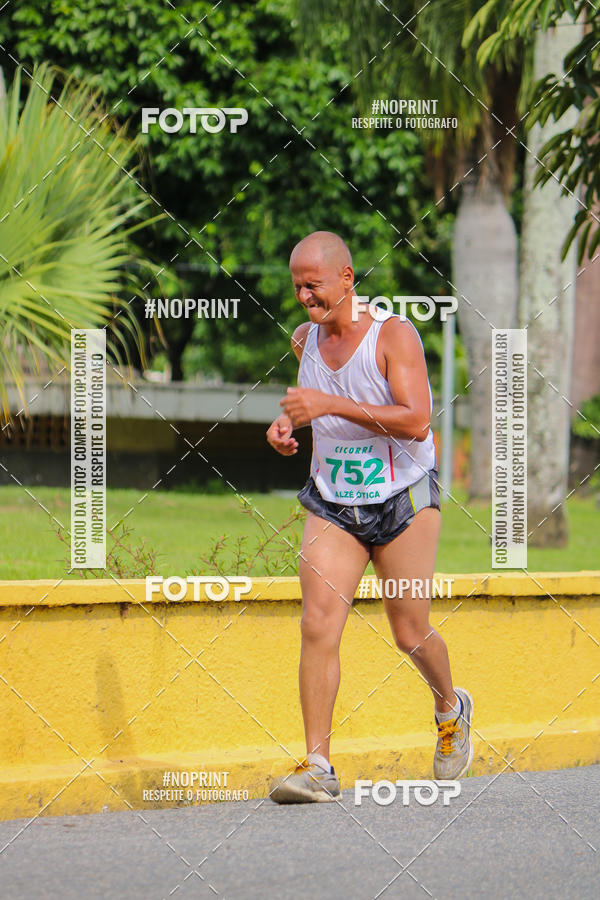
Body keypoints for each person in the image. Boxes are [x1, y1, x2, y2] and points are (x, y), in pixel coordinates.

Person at [266, 231, 472, 804]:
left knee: (409, 630)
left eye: (313, 285)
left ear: (347, 278)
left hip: (403, 500)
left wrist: (327, 405)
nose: (304, 297)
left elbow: (416, 420)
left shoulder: (393, 335)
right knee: (317, 623)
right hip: (334, 500)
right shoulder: (305, 340)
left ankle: (450, 707)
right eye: (297, 287)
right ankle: (318, 766)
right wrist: (287, 426)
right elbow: (315, 407)